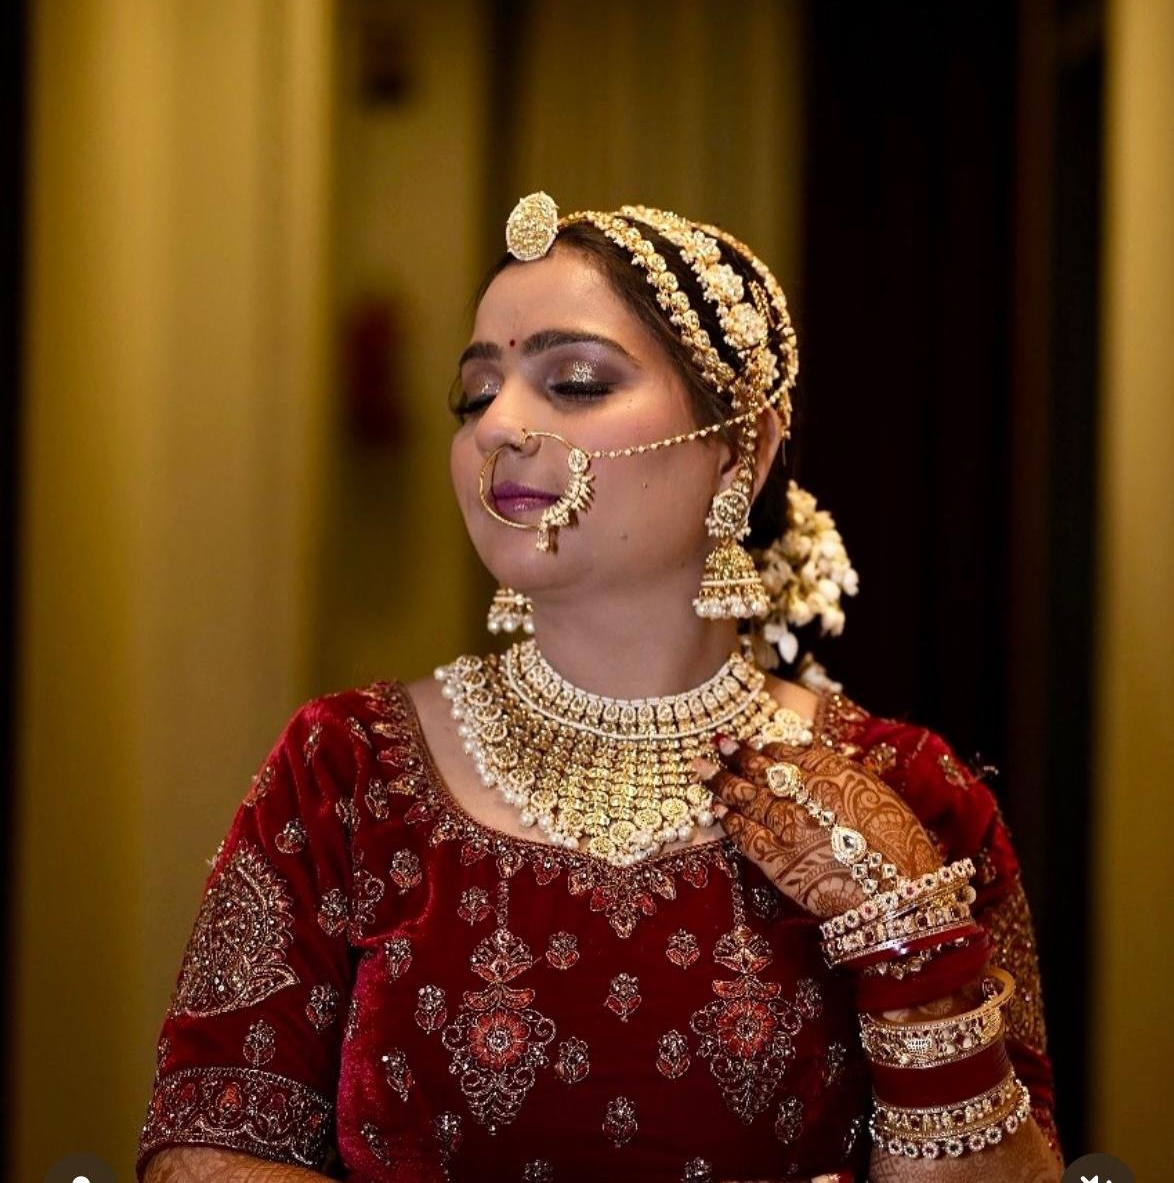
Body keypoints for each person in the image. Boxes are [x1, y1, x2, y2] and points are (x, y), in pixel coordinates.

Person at [136, 194, 1064, 1182]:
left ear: (739, 451)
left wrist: (913, 956)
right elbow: (206, 1152)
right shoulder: (344, 773)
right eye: (474, 395)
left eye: (574, 382)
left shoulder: (908, 797)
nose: (499, 425)